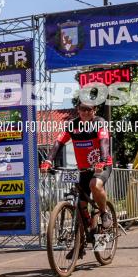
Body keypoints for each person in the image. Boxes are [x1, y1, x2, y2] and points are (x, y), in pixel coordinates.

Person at [40, 101, 113, 259]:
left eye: (89, 109)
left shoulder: (99, 123)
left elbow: (104, 142)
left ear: (94, 110)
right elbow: (58, 142)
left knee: (95, 184)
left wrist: (102, 160)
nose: (86, 112)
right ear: (78, 110)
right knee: (79, 205)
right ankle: (81, 242)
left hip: (102, 165)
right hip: (82, 169)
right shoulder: (72, 125)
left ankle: (104, 213)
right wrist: (48, 161)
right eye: (82, 109)